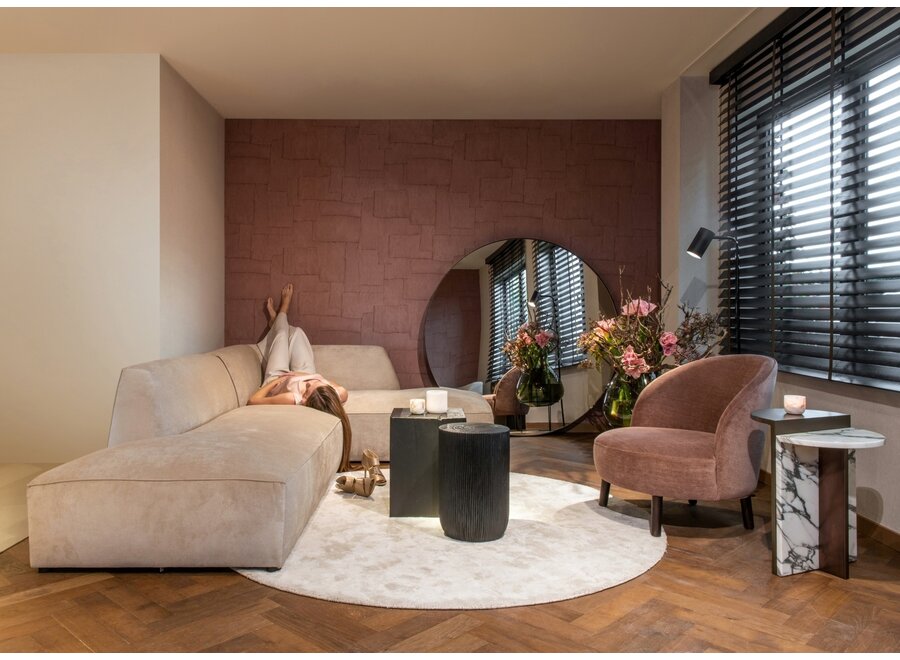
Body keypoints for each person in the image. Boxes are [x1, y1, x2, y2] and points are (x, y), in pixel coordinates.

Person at [249, 284, 352, 472]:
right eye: (316, 386)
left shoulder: (292, 398)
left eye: (309, 388)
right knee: (297, 333)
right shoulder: (339, 394)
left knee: (282, 335)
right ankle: (276, 323)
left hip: (279, 377)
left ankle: (281, 315)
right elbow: (331, 387)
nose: (310, 385)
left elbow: (253, 400)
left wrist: (274, 383)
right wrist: (317, 380)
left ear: (304, 399)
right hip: (306, 371)